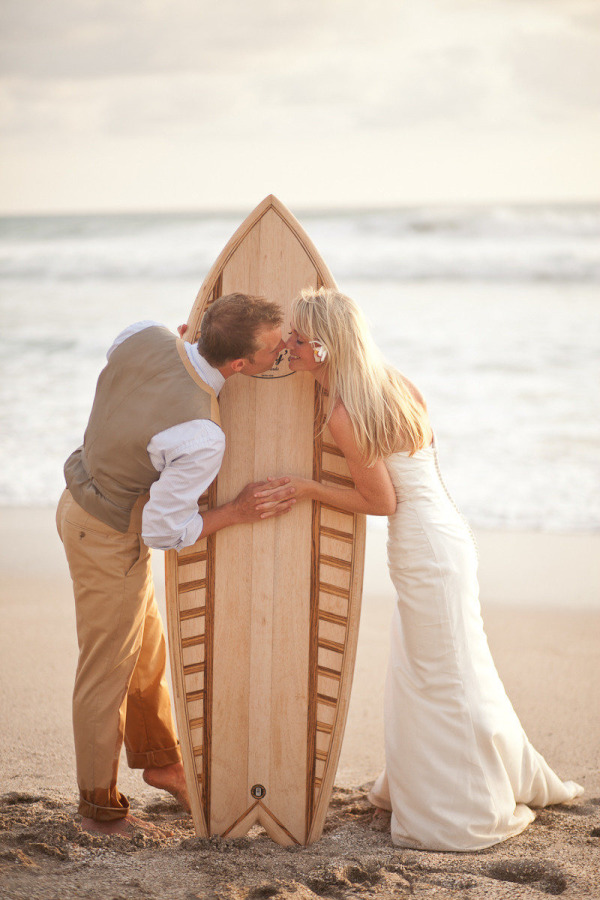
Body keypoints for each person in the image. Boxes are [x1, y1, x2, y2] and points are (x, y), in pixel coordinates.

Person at [256, 287, 583, 852]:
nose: (290, 345)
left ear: (327, 346)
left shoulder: (343, 413)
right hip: (450, 538)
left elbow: (384, 503)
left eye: (299, 338)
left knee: (441, 679)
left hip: (425, 550)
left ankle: (460, 811)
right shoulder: (397, 385)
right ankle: (446, 780)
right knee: (449, 668)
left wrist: (307, 487)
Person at [56, 293, 295, 836]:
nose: (281, 354)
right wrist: (236, 511)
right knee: (106, 671)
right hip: (109, 533)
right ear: (239, 366)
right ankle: (98, 813)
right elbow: (164, 531)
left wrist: (184, 346)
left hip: (79, 500)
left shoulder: (143, 332)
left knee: (145, 646)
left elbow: (129, 381)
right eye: (273, 351)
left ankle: (163, 762)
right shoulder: (201, 434)